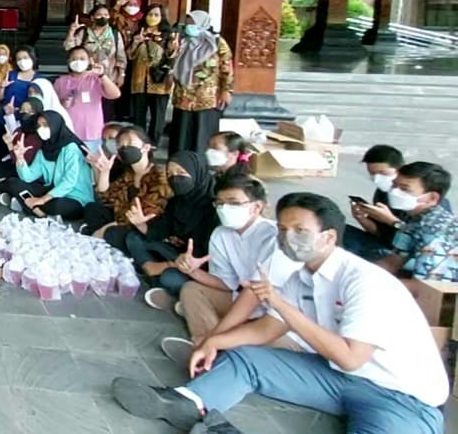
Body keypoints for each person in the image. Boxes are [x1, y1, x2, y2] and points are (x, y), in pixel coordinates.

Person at [112, 192, 449, 434]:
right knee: (245, 357)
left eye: (300, 231)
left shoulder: (365, 282)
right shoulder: (302, 273)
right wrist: (215, 343)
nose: (288, 238)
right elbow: (268, 328)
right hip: (336, 379)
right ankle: (186, 403)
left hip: (402, 400)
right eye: (284, 229)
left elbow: (351, 357)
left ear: (329, 236)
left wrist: (279, 303)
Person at [157, 175, 302, 368]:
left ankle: (209, 348)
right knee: (191, 289)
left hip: (274, 317)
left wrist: (216, 338)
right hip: (241, 304)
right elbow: (226, 283)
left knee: (270, 345)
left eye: (233, 203)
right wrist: (193, 271)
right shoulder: (221, 234)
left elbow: (253, 295)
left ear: (256, 207)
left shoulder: (275, 238)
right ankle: (209, 349)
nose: (225, 209)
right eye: (220, 203)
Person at [124, 151, 220, 309]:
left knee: (170, 278)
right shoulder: (177, 201)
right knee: (133, 238)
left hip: (197, 265)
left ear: (197, 173)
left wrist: (167, 265)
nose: (175, 178)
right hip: (175, 252)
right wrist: (141, 224)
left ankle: (154, 275)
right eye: (170, 174)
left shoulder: (214, 208)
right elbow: (160, 231)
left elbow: (207, 255)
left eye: (181, 173)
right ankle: (154, 276)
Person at [374, 162, 458, 288]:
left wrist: (375, 285)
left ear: (431, 198)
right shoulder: (412, 219)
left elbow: (427, 287)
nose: (394, 192)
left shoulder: (433, 232)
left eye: (405, 189)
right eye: (394, 185)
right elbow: (393, 261)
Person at [1, 110, 94, 217]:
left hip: (75, 196)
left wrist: (43, 199)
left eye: (45, 125)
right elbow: (29, 177)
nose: (41, 129)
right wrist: (20, 157)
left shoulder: (70, 148)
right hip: (51, 191)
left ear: (56, 126)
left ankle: (30, 206)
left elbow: (69, 181)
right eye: (39, 125)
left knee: (57, 206)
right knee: (12, 182)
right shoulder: (44, 149)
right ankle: (38, 211)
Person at [168, 11, 234, 157]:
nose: (189, 26)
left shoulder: (216, 42)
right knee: (181, 135)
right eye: (187, 23)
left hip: (207, 98)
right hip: (183, 96)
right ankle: (179, 163)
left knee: (202, 135)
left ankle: (200, 164)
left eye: (192, 23)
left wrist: (226, 90)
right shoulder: (183, 42)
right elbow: (172, 64)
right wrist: (172, 50)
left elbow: (226, 67)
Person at [85, 126, 171, 238]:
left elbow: (147, 214)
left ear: (146, 147)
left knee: (117, 234)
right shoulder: (128, 173)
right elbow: (106, 198)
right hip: (121, 218)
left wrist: (107, 228)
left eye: (130, 142)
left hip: (142, 226)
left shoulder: (159, 176)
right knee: (92, 208)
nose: (125, 147)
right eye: (120, 145)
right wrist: (104, 172)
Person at [343, 144, 407, 260]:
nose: (377, 178)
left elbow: (417, 241)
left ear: (399, 169)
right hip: (384, 244)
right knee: (336, 229)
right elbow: (379, 233)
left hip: (402, 254)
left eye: (383, 173)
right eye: (373, 174)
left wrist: (392, 221)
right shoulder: (382, 193)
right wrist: (362, 218)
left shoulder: (417, 198)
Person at [54, 47, 122, 153]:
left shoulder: (95, 79)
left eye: (82, 59)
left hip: (91, 133)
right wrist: (62, 103)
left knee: (90, 164)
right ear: (68, 62)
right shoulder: (60, 82)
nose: (78, 62)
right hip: (68, 132)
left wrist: (102, 75)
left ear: (89, 61)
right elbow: (53, 105)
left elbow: (115, 94)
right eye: (74, 59)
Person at [128, 4, 175, 144]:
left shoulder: (168, 35)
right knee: (138, 115)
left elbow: (172, 58)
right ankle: (138, 142)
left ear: (162, 17)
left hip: (160, 81)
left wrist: (173, 49)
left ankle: (153, 143)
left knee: (158, 116)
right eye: (150, 14)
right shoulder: (138, 32)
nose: (152, 17)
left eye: (156, 15)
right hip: (139, 81)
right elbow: (130, 56)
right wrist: (135, 43)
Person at [65, 5, 127, 86]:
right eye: (99, 14)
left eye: (106, 15)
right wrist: (71, 32)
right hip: (86, 76)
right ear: (92, 17)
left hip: (110, 77)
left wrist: (121, 75)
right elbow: (70, 49)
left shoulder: (115, 34)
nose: (103, 17)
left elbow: (121, 57)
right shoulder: (84, 33)